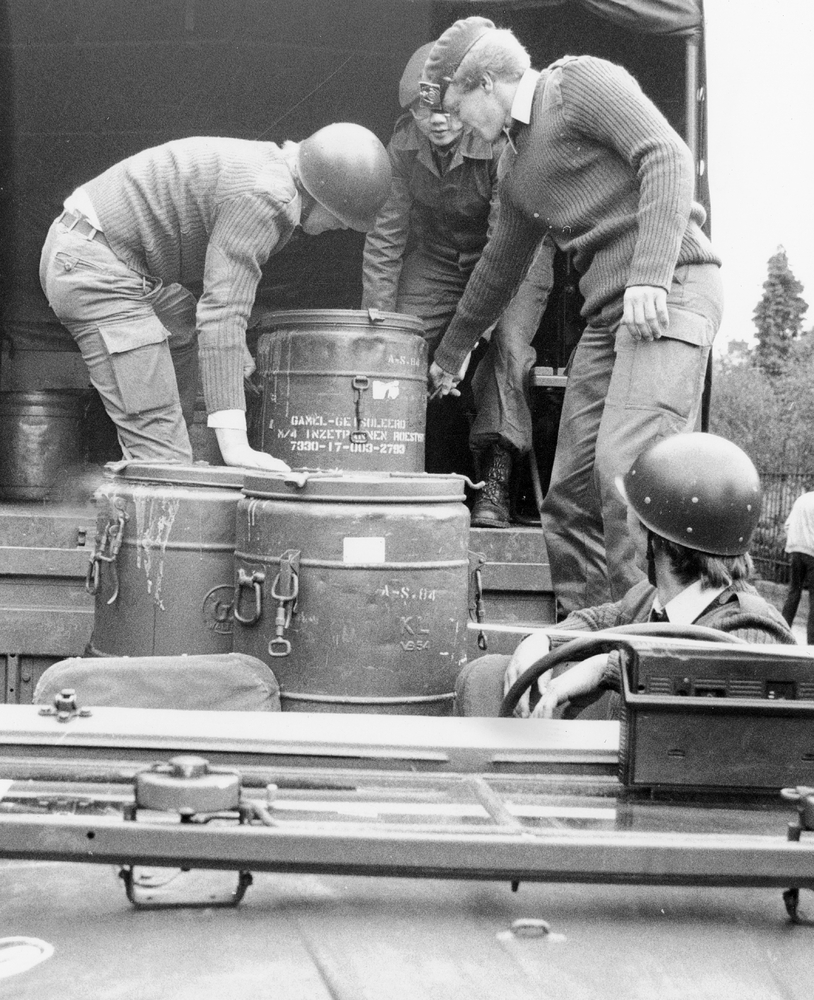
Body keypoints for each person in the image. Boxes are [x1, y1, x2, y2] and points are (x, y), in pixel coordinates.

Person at [421, 18, 723, 608]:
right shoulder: (513, 167)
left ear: (486, 84)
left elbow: (667, 155)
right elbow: (499, 268)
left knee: (627, 475)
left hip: (672, 292)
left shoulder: (576, 84)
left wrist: (648, 275)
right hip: (610, 318)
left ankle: (645, 643)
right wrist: (451, 354)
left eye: (458, 110)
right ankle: (589, 637)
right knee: (570, 497)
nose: (460, 130)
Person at [40, 124, 392, 470]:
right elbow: (222, 312)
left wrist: (234, 349)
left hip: (101, 251)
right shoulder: (268, 197)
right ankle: (160, 455)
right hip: (96, 268)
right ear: (321, 192)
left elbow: (218, 294)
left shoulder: (269, 170)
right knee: (165, 464)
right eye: (343, 218)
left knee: (180, 317)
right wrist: (236, 447)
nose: (342, 228)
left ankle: (165, 438)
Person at [454, 433, 796, 720]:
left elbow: (711, 679)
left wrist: (607, 666)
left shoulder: (754, 627)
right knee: (485, 676)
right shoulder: (653, 598)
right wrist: (542, 640)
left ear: (655, 537)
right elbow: (598, 621)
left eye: (633, 509)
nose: (626, 515)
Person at [362, 43, 553, 527]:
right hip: (442, 256)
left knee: (507, 346)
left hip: (517, 255)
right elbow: (386, 235)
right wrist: (377, 320)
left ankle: (496, 473)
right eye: (421, 111)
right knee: (397, 335)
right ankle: (386, 459)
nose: (437, 121)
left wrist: (467, 340)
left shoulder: (499, 141)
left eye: (446, 109)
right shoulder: (402, 147)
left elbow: (502, 249)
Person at [782, 490, 814, 644]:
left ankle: (782, 633)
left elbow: (787, 525)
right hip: (812, 553)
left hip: (795, 551)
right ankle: (812, 643)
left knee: (794, 592)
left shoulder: (802, 499)